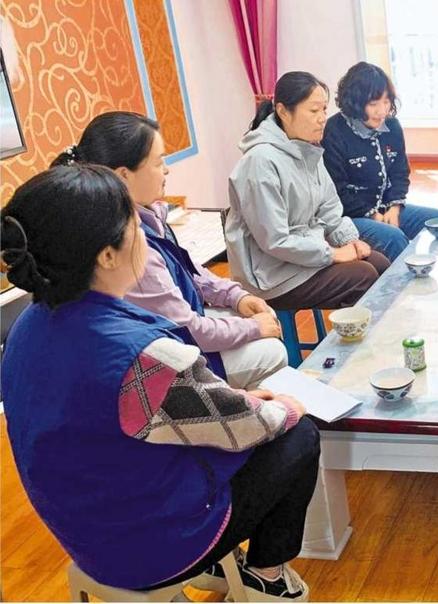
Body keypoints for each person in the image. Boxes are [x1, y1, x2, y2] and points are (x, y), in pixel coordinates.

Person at [1, 165, 318, 600]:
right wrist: (285, 407)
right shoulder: (140, 357)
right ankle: (267, 575)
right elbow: (248, 427)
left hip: (83, 530)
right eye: (135, 224)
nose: (144, 236)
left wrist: (236, 400)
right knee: (298, 435)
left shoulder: (28, 325)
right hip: (150, 546)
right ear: (106, 256)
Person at [51, 112, 286, 390]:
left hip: (173, 331)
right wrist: (254, 328)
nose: (167, 170)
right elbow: (185, 329)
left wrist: (236, 296)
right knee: (270, 348)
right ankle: (240, 405)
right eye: (159, 161)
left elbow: (189, 270)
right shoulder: (130, 243)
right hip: (167, 354)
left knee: (253, 321)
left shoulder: (148, 214)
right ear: (124, 175)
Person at [228, 71, 390, 311]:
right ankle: (355, 335)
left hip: (304, 258)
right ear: (283, 112)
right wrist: (332, 254)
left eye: (324, 109)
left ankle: (379, 331)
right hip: (271, 276)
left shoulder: (307, 150)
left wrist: (350, 241)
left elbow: (329, 209)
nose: (322, 118)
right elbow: (276, 241)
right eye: (314, 111)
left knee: (380, 264)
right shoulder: (260, 162)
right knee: (363, 276)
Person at [322, 62, 438, 260]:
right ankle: (408, 279)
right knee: (394, 238)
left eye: (386, 102)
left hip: (387, 208)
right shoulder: (334, 131)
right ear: (355, 103)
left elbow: (400, 172)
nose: (382, 111)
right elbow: (337, 191)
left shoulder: (392, 125)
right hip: (351, 217)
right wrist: (373, 215)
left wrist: (395, 207)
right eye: (373, 104)